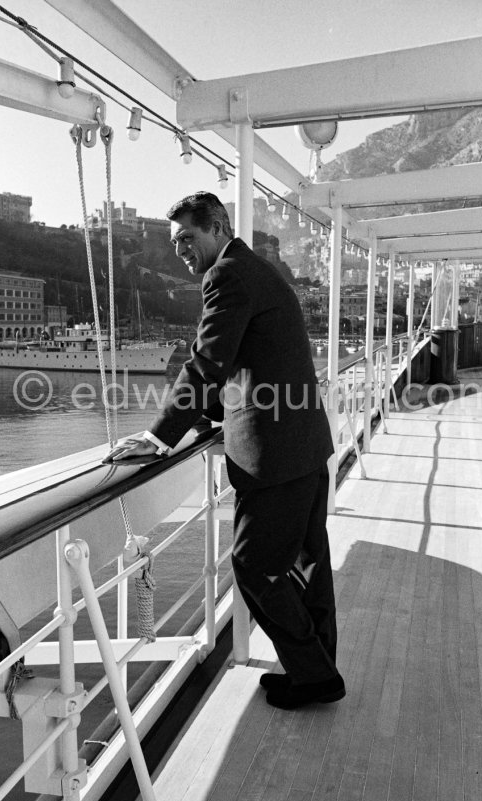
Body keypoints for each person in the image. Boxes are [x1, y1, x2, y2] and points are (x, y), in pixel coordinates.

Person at [103, 192, 345, 710]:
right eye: (174, 243)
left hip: (273, 456)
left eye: (188, 238)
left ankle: (315, 675)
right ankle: (317, 666)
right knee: (308, 559)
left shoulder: (228, 274)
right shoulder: (255, 268)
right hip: (302, 444)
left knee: (254, 566)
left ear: (217, 226)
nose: (181, 252)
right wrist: (214, 414)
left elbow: (208, 361)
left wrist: (159, 436)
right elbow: (246, 359)